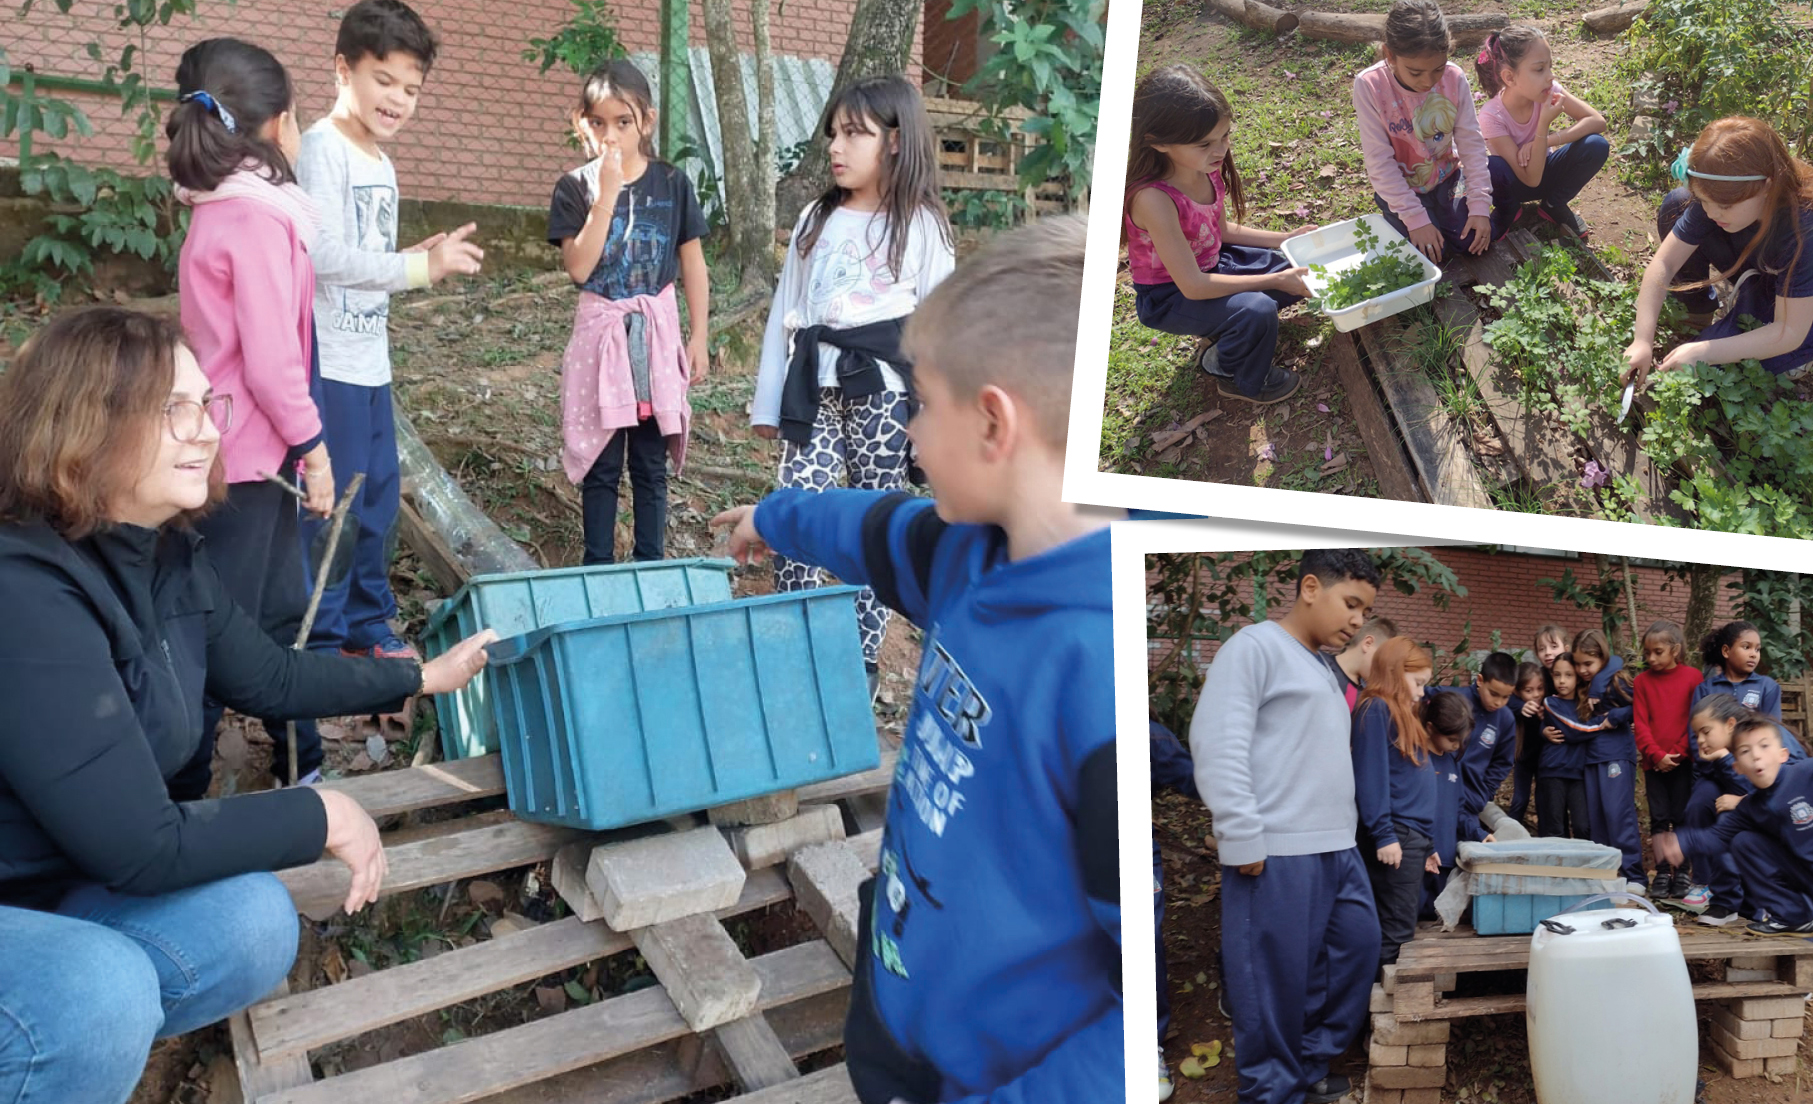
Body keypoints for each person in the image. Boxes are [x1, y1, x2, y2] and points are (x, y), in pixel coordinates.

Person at [0, 307, 495, 1104]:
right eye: (175, 409)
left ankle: (64, 1048)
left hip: (68, 888)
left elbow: (271, 679)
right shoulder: (23, 590)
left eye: (208, 405)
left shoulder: (163, 553)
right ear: (87, 420)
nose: (205, 431)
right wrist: (324, 813)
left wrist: (417, 677)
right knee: (97, 994)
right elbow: (144, 848)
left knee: (253, 923)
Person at [713, 215, 1119, 1104]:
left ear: (991, 423)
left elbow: (1133, 1024)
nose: (906, 434)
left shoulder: (1097, 679)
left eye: (920, 404)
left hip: (979, 1077)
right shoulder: (969, 551)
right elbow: (863, 527)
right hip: (900, 1004)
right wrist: (769, 515)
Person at [752, 77, 952, 703]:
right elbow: (787, 307)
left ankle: (858, 663)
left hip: (886, 395)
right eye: (834, 133)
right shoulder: (817, 217)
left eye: (855, 133)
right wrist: (768, 402)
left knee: (874, 522)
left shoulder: (921, 226)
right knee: (797, 508)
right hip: (814, 386)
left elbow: (941, 333)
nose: (837, 147)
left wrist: (936, 427)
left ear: (895, 142)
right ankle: (792, 646)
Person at [294, 0, 483, 662]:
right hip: (330, 360)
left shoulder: (380, 159)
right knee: (334, 507)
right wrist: (415, 267)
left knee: (375, 499)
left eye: (411, 88)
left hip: (370, 360)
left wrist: (414, 256)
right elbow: (319, 255)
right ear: (342, 68)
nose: (397, 99)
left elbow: (367, 255)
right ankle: (319, 635)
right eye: (384, 79)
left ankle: (368, 627)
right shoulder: (322, 147)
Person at [168, 37, 331, 788]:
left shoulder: (221, 208)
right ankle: (182, 794)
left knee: (277, 613)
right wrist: (315, 447)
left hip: (229, 448)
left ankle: (303, 761)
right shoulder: (259, 218)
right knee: (218, 629)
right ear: (275, 125)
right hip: (247, 459)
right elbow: (272, 360)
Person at [1195, 549, 1382, 1104]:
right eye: (1351, 604)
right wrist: (1239, 832)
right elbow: (1217, 741)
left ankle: (1305, 1067)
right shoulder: (1255, 648)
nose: (1357, 621)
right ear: (1308, 588)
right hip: (1277, 852)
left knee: (1357, 947)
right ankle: (1271, 1090)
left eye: (1365, 610)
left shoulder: (1321, 667)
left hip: (1337, 850)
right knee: (1270, 986)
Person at [550, 60, 710, 566]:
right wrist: (607, 195)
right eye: (598, 123)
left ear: (647, 120)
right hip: (600, 337)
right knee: (601, 459)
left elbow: (692, 263)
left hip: (655, 339)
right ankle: (597, 570)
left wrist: (699, 334)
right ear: (582, 123)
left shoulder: (672, 183)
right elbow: (579, 267)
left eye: (624, 121)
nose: (611, 135)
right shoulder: (574, 187)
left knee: (648, 460)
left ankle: (650, 566)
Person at [1123, 64, 1315, 405]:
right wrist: (1275, 281)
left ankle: (1224, 328)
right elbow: (1193, 286)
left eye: (1225, 136)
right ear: (1160, 143)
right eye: (1204, 143)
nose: (1221, 150)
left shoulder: (1205, 168)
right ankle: (1230, 370)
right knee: (1257, 309)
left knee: (1297, 268)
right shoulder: (1153, 199)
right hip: (1171, 295)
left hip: (1214, 265)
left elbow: (1222, 231)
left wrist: (1286, 239)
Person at [1623, 116, 1813, 388]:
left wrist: (1704, 351)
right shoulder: (1720, 200)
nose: (1711, 213)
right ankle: (1698, 310)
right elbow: (1665, 262)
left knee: (1737, 364)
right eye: (1704, 201)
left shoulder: (1803, 229)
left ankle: (1800, 356)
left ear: (1767, 187)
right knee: (1675, 204)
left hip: (1801, 309)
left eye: (1724, 206)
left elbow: (1789, 331)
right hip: (1761, 269)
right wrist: (1642, 339)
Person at [1353, 0, 1493, 263]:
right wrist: (1415, 219)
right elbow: (1379, 162)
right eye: (1415, 72)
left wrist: (1479, 205)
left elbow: (1471, 145)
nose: (1428, 81)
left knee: (1471, 242)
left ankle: (1455, 213)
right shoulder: (1369, 85)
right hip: (1403, 190)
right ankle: (1421, 217)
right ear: (1390, 55)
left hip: (1448, 178)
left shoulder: (1454, 77)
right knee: (1425, 259)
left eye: (1438, 68)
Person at [1655, 716, 1813, 934]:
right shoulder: (1750, 807)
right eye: (1746, 751)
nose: (1756, 755)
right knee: (1744, 842)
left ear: (1783, 754)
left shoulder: (1806, 773)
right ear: (1737, 766)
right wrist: (1680, 841)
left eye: (1764, 746)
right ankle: (1793, 916)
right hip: (1803, 875)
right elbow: (1717, 836)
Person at [1352, 638, 1445, 967]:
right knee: (1396, 931)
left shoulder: (1400, 713)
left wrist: (1427, 843)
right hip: (1396, 836)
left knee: (1399, 926)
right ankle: (1380, 1008)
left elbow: (1410, 784)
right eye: (1417, 682)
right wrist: (1384, 834)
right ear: (1394, 672)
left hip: (1412, 837)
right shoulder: (1375, 708)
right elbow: (1370, 776)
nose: (1421, 693)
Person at [1472, 25, 1607, 239]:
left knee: (1596, 145)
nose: (1550, 76)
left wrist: (1543, 141)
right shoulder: (1491, 116)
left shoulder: (1549, 91)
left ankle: (1554, 204)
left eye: (1550, 67)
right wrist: (1543, 125)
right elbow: (1530, 179)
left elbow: (1597, 121)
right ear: (1509, 78)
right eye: (1539, 69)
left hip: (1546, 168)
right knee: (1493, 167)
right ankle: (1509, 209)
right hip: (1517, 182)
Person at [1631, 619, 1703, 899]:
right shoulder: (1641, 681)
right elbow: (1641, 722)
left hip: (1683, 762)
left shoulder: (1693, 677)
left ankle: (1682, 871)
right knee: (1660, 819)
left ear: (1675, 649)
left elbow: (1695, 719)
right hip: (1654, 763)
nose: (1651, 658)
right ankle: (1662, 872)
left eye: (1657, 652)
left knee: (1683, 817)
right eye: (1647, 652)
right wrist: (1656, 755)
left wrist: (1679, 752)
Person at [1570, 628, 1644, 889]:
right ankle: (1608, 876)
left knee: (1618, 814)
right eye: (1577, 664)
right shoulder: (1581, 684)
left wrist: (1616, 717)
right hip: (1591, 758)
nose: (1582, 670)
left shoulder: (1615, 681)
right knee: (1597, 819)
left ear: (1602, 658)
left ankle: (1634, 875)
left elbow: (1641, 705)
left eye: (1588, 663)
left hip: (1617, 756)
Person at [1151, 718, 1200, 1102]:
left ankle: (1145, 1046)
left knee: (1140, 943)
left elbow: (1193, 779)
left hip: (1129, 845)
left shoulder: (1144, 734)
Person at [1441, 651, 1518, 822]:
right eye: (1494, 694)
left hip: (1470, 804)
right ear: (1480, 681)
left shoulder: (1505, 719)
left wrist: (1483, 794)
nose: (1498, 702)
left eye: (1506, 697)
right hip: (1440, 795)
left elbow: (1502, 763)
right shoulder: (1452, 699)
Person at [1535, 653, 1596, 840]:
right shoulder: (1550, 702)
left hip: (1578, 774)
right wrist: (1604, 725)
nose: (1562, 681)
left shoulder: (1587, 704)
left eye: (1568, 675)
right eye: (1556, 675)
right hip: (1553, 771)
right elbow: (1573, 731)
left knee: (1582, 826)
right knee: (1555, 829)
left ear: (1578, 677)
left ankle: (1581, 868)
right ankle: (1557, 869)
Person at [1325, 614, 1398, 710]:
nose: (1385, 670)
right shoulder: (1319, 668)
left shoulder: (1365, 695)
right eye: (1386, 660)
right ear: (1368, 643)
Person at [1507, 659, 1547, 825]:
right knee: (1520, 800)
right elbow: (1505, 701)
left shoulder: (1547, 704)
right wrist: (1521, 708)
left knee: (1543, 801)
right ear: (1518, 692)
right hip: (1524, 759)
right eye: (1529, 691)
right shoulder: (1516, 707)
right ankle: (1508, 834)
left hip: (1544, 760)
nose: (1536, 695)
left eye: (1540, 689)